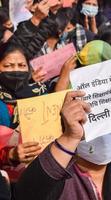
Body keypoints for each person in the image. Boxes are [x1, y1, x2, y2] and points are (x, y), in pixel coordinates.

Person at [13, 90, 111, 200]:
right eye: (97, 123)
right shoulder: (58, 172)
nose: (107, 133)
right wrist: (71, 136)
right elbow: (25, 194)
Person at [0, 43, 47, 181]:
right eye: (8, 66)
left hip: (38, 175)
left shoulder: (40, 93)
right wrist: (10, 155)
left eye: (21, 65)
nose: (16, 70)